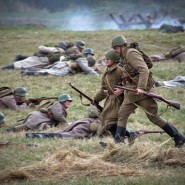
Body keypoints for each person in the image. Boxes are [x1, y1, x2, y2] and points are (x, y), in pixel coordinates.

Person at [111, 35, 185, 148]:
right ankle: (118, 144)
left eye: (115, 48)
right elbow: (136, 71)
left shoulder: (131, 53)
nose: (114, 51)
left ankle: (179, 138)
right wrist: (122, 88)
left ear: (122, 46)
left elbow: (144, 69)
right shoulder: (124, 56)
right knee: (122, 115)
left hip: (142, 93)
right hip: (131, 93)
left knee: (153, 117)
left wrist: (141, 87)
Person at [93, 49, 136, 143]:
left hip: (121, 101)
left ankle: (119, 142)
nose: (106, 60)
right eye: (105, 59)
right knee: (108, 123)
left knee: (110, 122)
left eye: (109, 58)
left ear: (114, 59)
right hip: (110, 101)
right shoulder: (106, 73)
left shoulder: (120, 70)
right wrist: (95, 99)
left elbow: (131, 83)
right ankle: (127, 135)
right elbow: (103, 89)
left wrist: (122, 89)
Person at [6, 94, 72, 132]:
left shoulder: (59, 106)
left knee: (27, 127)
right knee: (25, 127)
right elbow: (58, 116)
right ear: (62, 101)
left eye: (70, 101)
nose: (69, 103)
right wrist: (66, 124)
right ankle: (9, 131)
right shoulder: (57, 104)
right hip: (39, 117)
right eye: (68, 101)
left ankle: (10, 129)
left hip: (39, 117)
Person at [25, 106, 102, 139]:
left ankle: (38, 135)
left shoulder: (89, 119)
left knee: (62, 133)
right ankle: (41, 136)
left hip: (82, 122)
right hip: (85, 125)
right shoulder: (99, 119)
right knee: (69, 135)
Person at [21, 48, 99, 76]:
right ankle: (28, 73)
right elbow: (86, 69)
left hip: (62, 64)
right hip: (65, 67)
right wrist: (95, 74)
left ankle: (28, 70)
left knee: (45, 70)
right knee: (50, 73)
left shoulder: (82, 59)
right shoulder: (83, 60)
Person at [1, 42, 67, 70]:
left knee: (18, 64)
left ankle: (3, 68)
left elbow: (41, 48)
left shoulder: (55, 49)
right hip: (45, 63)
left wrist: (44, 46)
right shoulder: (63, 53)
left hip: (39, 59)